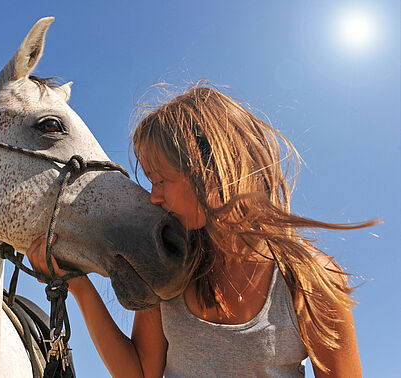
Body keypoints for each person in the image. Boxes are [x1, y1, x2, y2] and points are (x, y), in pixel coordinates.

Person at [26, 83, 376, 377]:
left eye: (161, 180)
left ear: (211, 173)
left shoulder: (309, 281)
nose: (154, 197)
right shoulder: (170, 264)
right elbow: (140, 373)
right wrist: (78, 286)